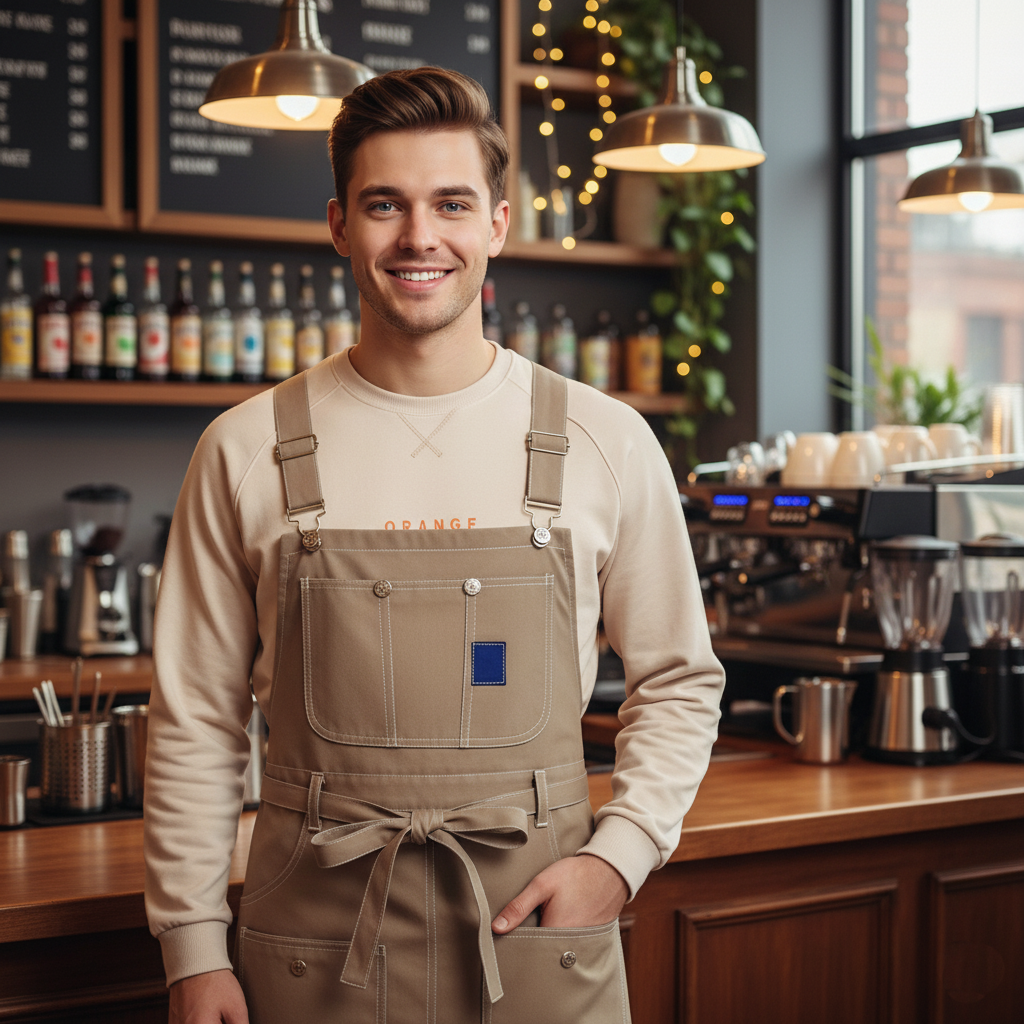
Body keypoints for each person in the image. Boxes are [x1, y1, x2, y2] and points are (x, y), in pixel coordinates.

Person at [144, 67, 725, 1024]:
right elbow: (197, 721)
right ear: (340, 224)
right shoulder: (243, 449)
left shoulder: (606, 440)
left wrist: (618, 860)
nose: (420, 238)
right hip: (311, 942)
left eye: (451, 203)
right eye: (385, 205)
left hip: (537, 930)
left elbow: (678, 679)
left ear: (497, 223)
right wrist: (192, 949)